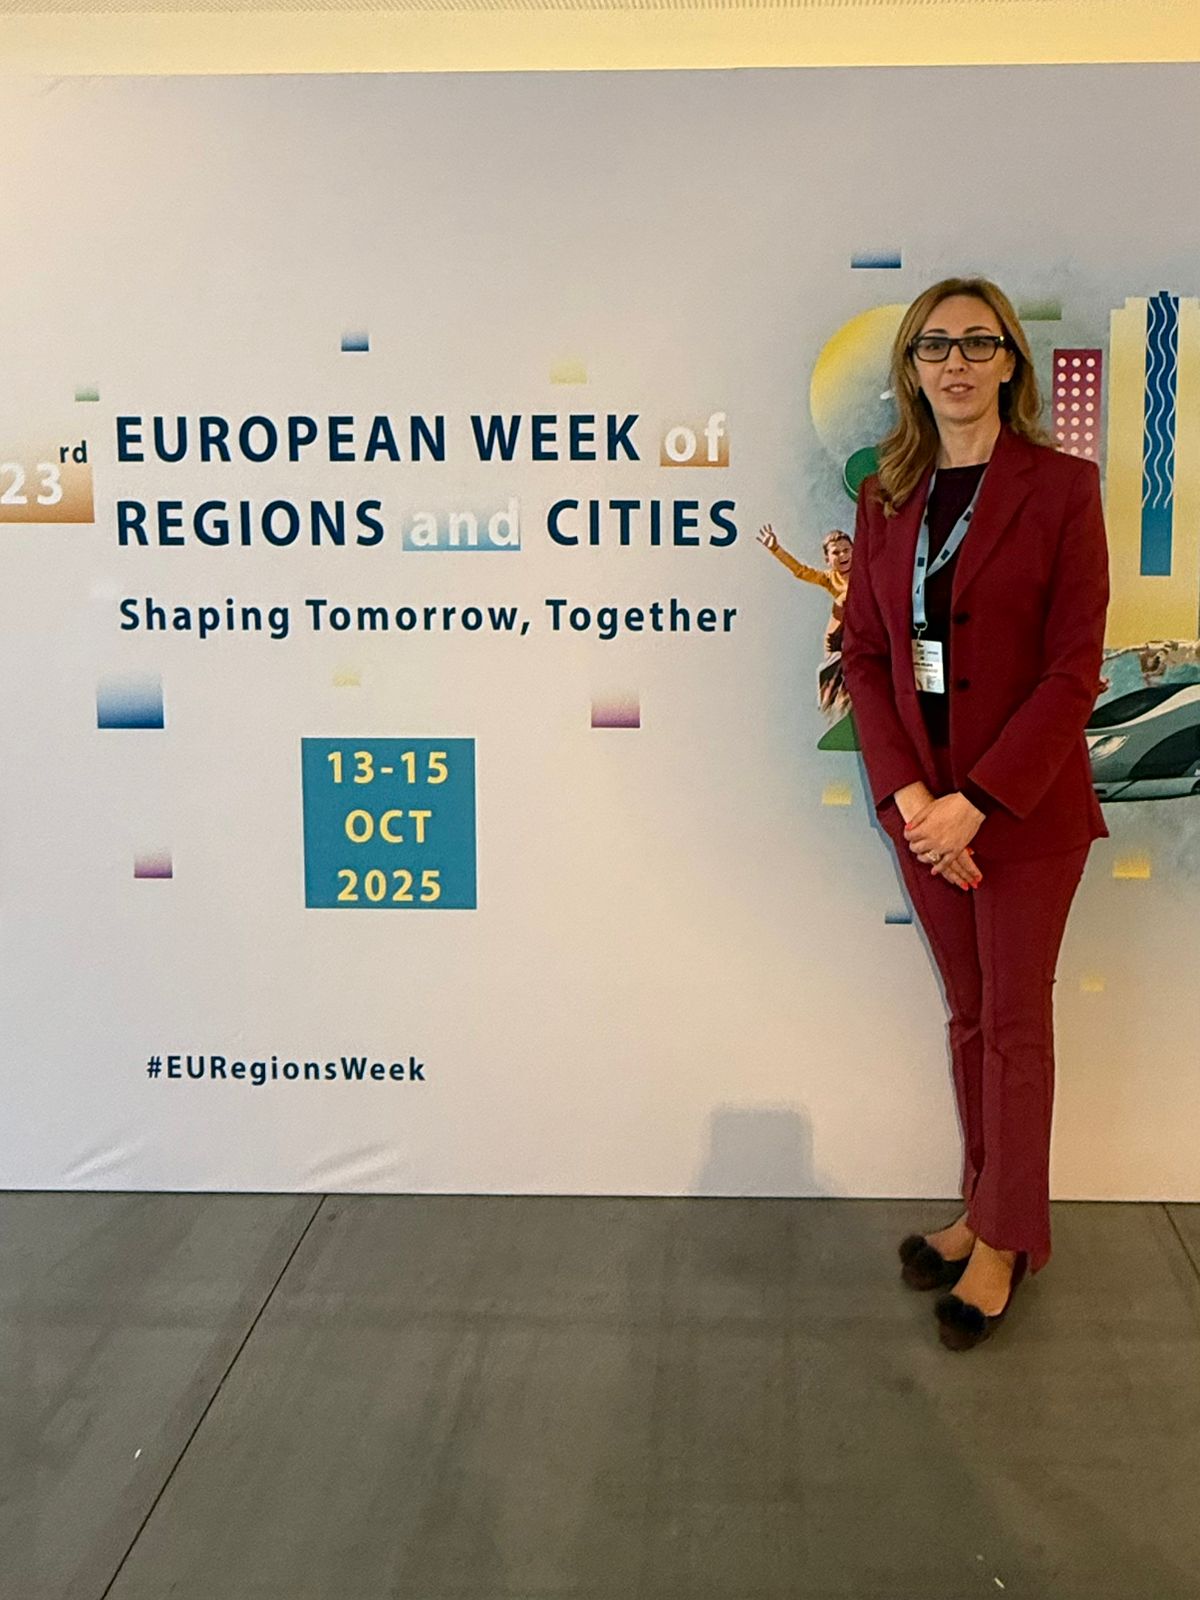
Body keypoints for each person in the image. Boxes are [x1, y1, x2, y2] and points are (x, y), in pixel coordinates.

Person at [840, 275, 1110, 1352]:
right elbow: (867, 655)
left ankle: (1006, 1240)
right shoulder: (886, 495)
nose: (956, 362)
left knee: (1014, 1026)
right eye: (935, 345)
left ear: (1010, 362)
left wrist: (978, 804)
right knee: (968, 1016)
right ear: (911, 368)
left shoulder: (1063, 489)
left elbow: (1073, 670)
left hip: (1022, 814)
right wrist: (914, 799)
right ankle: (983, 1204)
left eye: (978, 343)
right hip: (924, 816)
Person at [757, 524, 854, 714]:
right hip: (838, 635)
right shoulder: (829, 578)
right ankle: (835, 701)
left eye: (846, 550)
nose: (842, 556)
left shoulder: (864, 570)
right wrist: (776, 549)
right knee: (842, 601)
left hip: (865, 627)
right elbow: (800, 571)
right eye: (836, 553)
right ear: (827, 559)